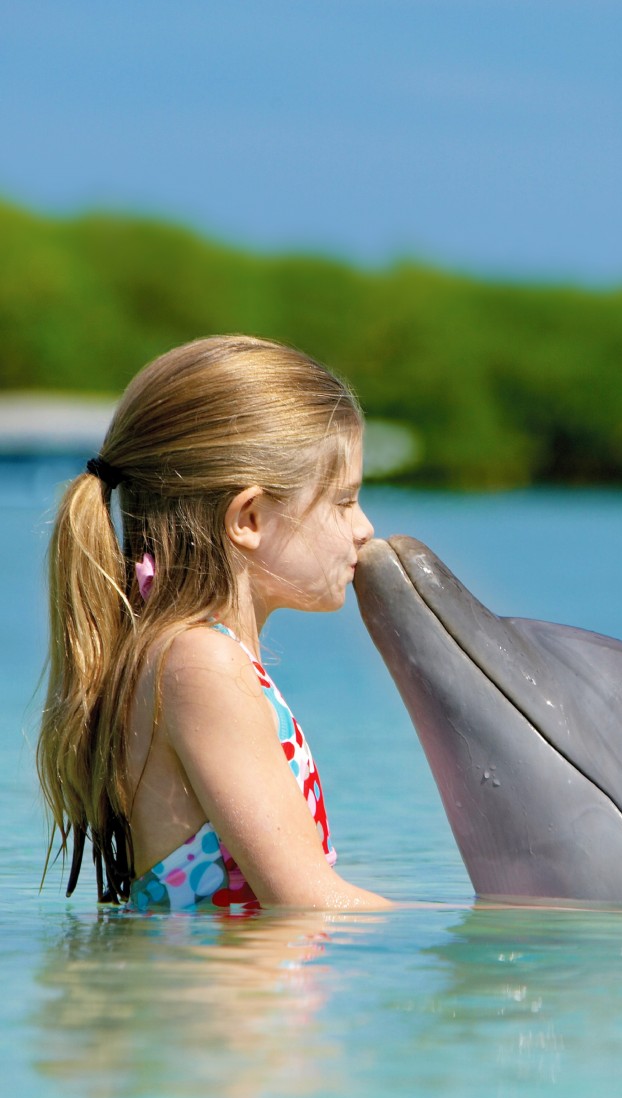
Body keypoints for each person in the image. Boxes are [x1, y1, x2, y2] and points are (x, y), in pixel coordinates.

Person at [37, 335, 392, 912]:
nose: (364, 528)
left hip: (221, 998)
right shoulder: (202, 662)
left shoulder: (185, 655)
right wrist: (497, 934)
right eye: (344, 501)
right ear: (248, 517)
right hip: (211, 1002)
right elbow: (307, 902)